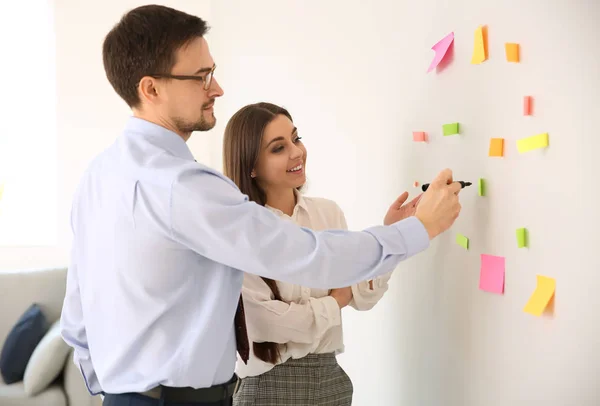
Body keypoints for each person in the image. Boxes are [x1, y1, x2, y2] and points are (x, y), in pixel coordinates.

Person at [59, 5, 462, 406]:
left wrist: (118, 389)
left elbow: (78, 315)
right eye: (202, 77)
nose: (216, 89)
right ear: (151, 89)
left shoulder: (98, 176)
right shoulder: (182, 187)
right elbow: (307, 255)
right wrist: (419, 229)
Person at [223, 102, 420, 406]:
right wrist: (335, 301)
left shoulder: (327, 213)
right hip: (266, 388)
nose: (297, 152)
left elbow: (362, 296)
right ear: (251, 165)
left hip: (331, 382)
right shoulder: (241, 232)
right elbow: (265, 324)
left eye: (296, 138)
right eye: (278, 148)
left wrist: (392, 233)